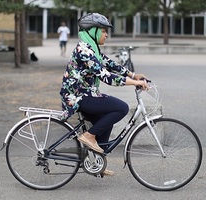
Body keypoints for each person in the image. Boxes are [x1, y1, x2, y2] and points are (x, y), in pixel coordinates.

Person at [59, 13, 148, 176]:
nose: (106, 34)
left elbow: (108, 63)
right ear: (92, 30)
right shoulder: (84, 50)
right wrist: (134, 83)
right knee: (121, 108)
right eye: (103, 31)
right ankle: (88, 136)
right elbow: (106, 76)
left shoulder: (92, 48)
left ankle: (96, 162)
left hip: (85, 94)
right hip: (78, 97)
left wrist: (132, 75)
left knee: (106, 120)